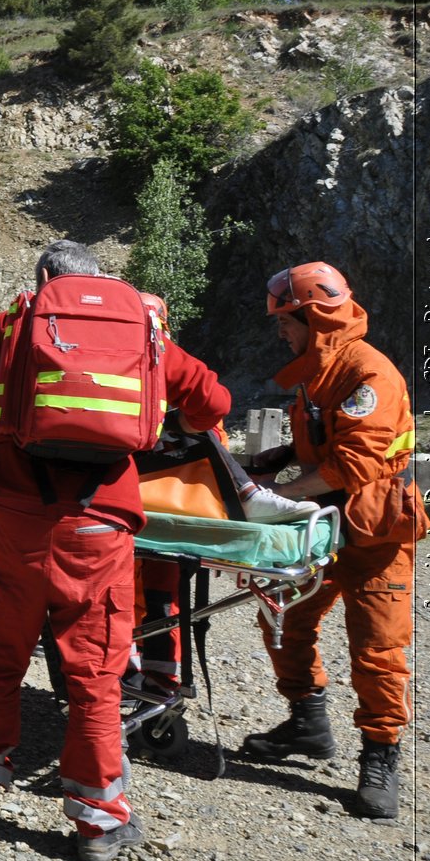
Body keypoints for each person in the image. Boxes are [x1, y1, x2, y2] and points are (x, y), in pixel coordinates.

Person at [0, 241, 231, 861]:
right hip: (99, 523)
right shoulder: (145, 326)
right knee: (95, 673)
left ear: (43, 278)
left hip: (15, 519)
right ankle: (96, 820)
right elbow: (214, 405)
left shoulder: (18, 319)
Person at [241, 262, 422, 819]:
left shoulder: (369, 374)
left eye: (285, 321)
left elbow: (354, 462)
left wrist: (279, 490)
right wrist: (265, 462)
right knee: (282, 616)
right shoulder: (322, 370)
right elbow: (317, 440)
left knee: (378, 649)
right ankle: (307, 723)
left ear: (312, 318)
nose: (280, 332)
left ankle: (381, 755)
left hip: (375, 532)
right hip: (325, 525)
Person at [126, 292, 317, 698]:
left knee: (150, 600)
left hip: (161, 509)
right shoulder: (162, 371)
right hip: (152, 509)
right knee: (140, 600)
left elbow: (213, 436)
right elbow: (212, 420)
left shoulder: (156, 372)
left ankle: (154, 678)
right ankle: (139, 675)